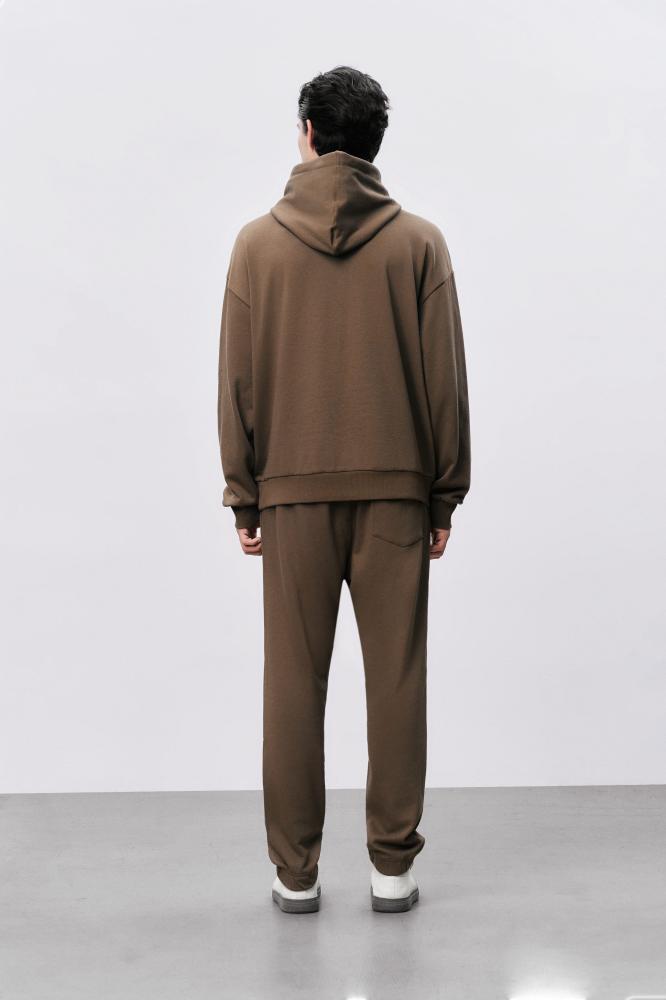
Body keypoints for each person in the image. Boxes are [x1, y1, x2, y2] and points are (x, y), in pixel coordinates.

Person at [218, 66, 471, 914]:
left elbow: (237, 381)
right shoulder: (420, 244)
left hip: (290, 494)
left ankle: (296, 875)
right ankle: (393, 868)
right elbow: (444, 383)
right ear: (373, 142)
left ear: (307, 133)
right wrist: (443, 494)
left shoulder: (256, 245)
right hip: (397, 494)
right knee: (396, 678)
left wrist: (244, 492)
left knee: (294, 683)